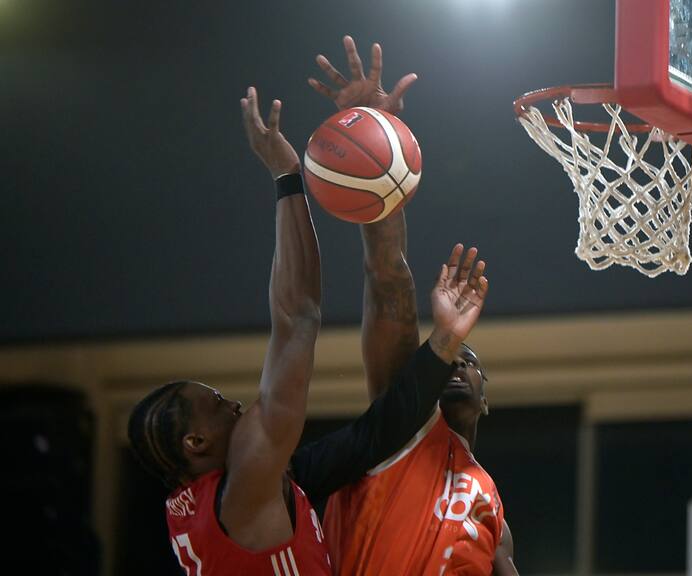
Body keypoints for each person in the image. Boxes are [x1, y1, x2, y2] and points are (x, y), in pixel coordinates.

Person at [127, 82, 491, 574]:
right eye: (216, 406)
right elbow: (297, 319)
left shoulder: (253, 491)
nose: (235, 404)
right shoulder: (246, 487)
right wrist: (286, 175)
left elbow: (378, 430)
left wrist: (445, 341)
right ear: (196, 444)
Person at [308, 36, 519, 576]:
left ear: (485, 396)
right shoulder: (396, 423)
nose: (452, 364)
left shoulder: (489, 500)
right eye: (448, 357)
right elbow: (388, 280)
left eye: (465, 360)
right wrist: (373, 131)